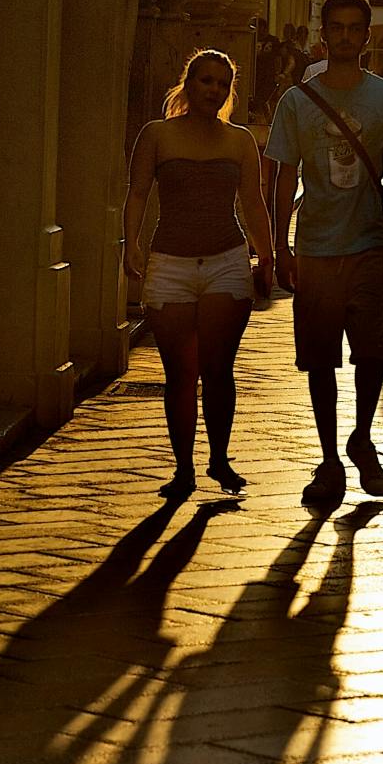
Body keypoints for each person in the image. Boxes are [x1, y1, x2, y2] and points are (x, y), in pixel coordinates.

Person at [267, 0, 383, 505]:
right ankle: (330, 457)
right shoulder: (296, 101)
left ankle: (362, 435)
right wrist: (280, 246)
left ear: (367, 34)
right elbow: (284, 177)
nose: (347, 37)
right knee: (319, 360)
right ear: (324, 32)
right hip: (314, 247)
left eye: (356, 28)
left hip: (368, 244)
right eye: (338, 27)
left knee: (372, 351)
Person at [122, 50, 274, 497]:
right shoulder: (157, 136)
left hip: (227, 261)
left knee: (219, 369)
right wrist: (131, 244)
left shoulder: (240, 140)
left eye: (222, 84)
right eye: (206, 81)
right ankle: (183, 468)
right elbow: (137, 195)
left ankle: (220, 460)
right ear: (188, 85)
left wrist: (267, 255)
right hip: (169, 264)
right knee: (180, 374)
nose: (213, 90)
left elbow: (252, 202)